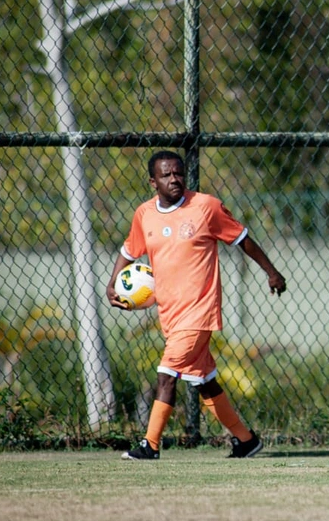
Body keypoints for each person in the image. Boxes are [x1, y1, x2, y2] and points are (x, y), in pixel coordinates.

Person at [108, 150, 287, 461]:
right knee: (204, 382)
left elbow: (242, 238)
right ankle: (246, 441)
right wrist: (112, 284)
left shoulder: (205, 207)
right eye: (166, 175)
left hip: (199, 313)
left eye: (178, 173)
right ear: (153, 181)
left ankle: (150, 445)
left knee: (166, 375)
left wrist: (271, 272)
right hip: (170, 315)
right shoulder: (145, 215)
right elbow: (130, 249)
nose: (174, 178)